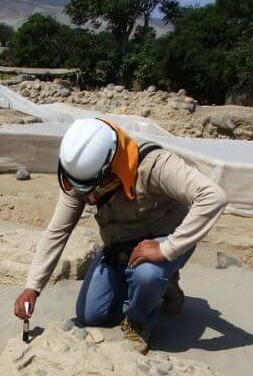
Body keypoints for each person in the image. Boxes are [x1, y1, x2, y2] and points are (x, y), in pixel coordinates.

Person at [13, 117, 227, 354]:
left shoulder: (154, 165)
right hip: (119, 247)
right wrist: (32, 287)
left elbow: (213, 197)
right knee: (91, 314)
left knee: (148, 275)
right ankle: (154, 287)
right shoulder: (80, 175)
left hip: (164, 242)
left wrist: (167, 249)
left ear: (109, 168)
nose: (85, 197)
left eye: (90, 190)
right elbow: (57, 232)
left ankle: (139, 319)